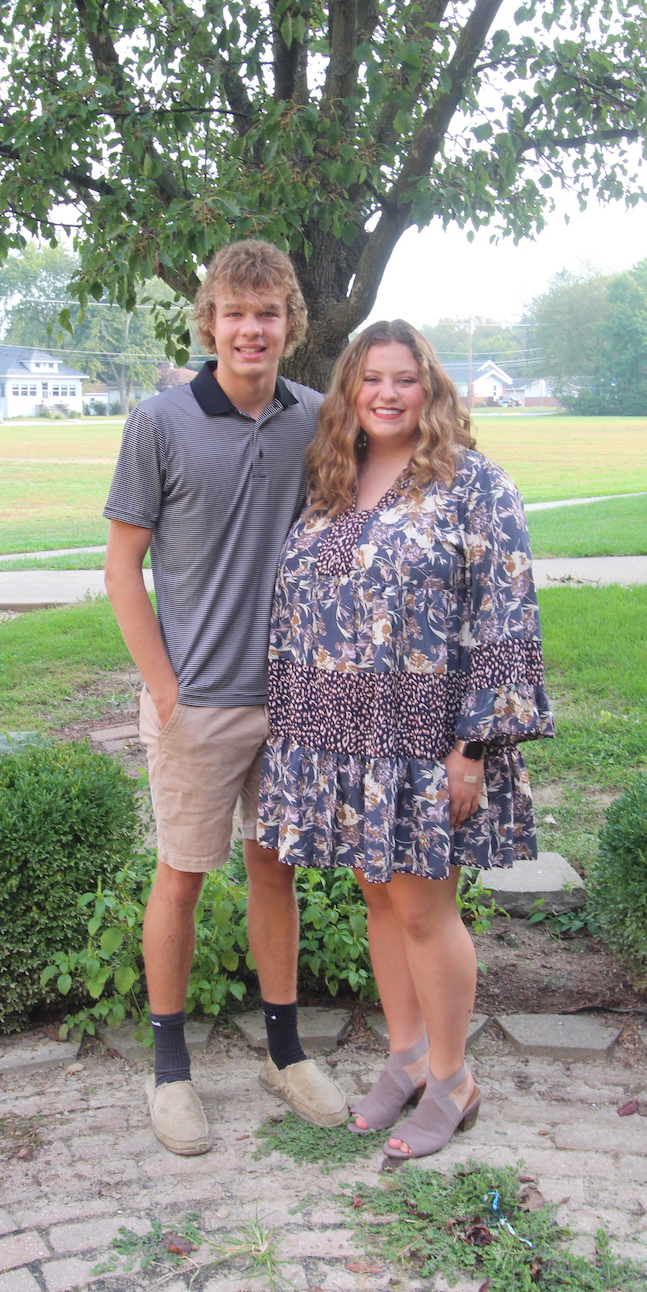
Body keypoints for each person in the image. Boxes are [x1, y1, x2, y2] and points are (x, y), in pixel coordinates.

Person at [258, 319, 554, 1160]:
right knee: (379, 898)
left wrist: (474, 748)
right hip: (340, 737)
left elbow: (505, 616)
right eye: (372, 378)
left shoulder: (474, 485)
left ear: (431, 388)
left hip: (427, 738)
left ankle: (454, 1079)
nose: (387, 394)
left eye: (405, 378)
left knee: (425, 908)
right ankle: (408, 1056)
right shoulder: (333, 476)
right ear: (350, 389)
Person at [103, 240, 348, 1158]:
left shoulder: (315, 418)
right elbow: (122, 567)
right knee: (182, 875)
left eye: (268, 313)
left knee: (275, 873)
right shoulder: (159, 422)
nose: (252, 329)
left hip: (292, 701)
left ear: (290, 323)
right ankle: (170, 1073)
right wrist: (164, 689)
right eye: (235, 313)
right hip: (197, 703)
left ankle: (285, 1054)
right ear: (209, 323)